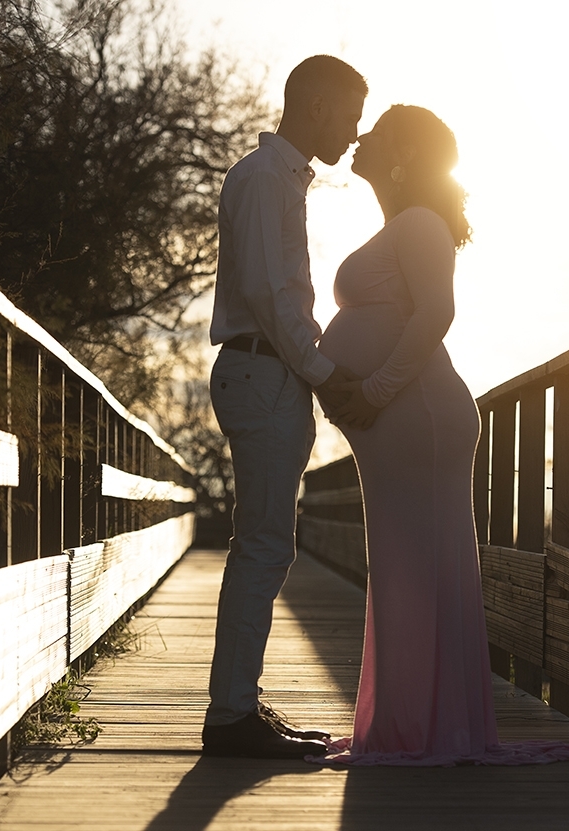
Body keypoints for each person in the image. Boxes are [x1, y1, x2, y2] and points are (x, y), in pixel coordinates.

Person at [315, 105, 569, 765]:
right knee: (405, 568)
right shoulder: (402, 225)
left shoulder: (421, 222)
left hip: (416, 415)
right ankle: (416, 723)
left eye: (374, 129)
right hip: (399, 418)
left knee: (416, 569)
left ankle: (427, 728)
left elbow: (437, 311)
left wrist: (370, 392)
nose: (360, 135)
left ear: (402, 153)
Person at [201, 55, 367, 759]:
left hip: (266, 375)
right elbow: (273, 296)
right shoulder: (268, 178)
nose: (357, 131)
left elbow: (277, 296)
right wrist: (327, 373)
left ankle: (239, 702)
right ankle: (231, 715)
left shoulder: (275, 177)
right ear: (320, 105)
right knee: (264, 546)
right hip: (263, 373)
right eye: (353, 113)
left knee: (264, 545)